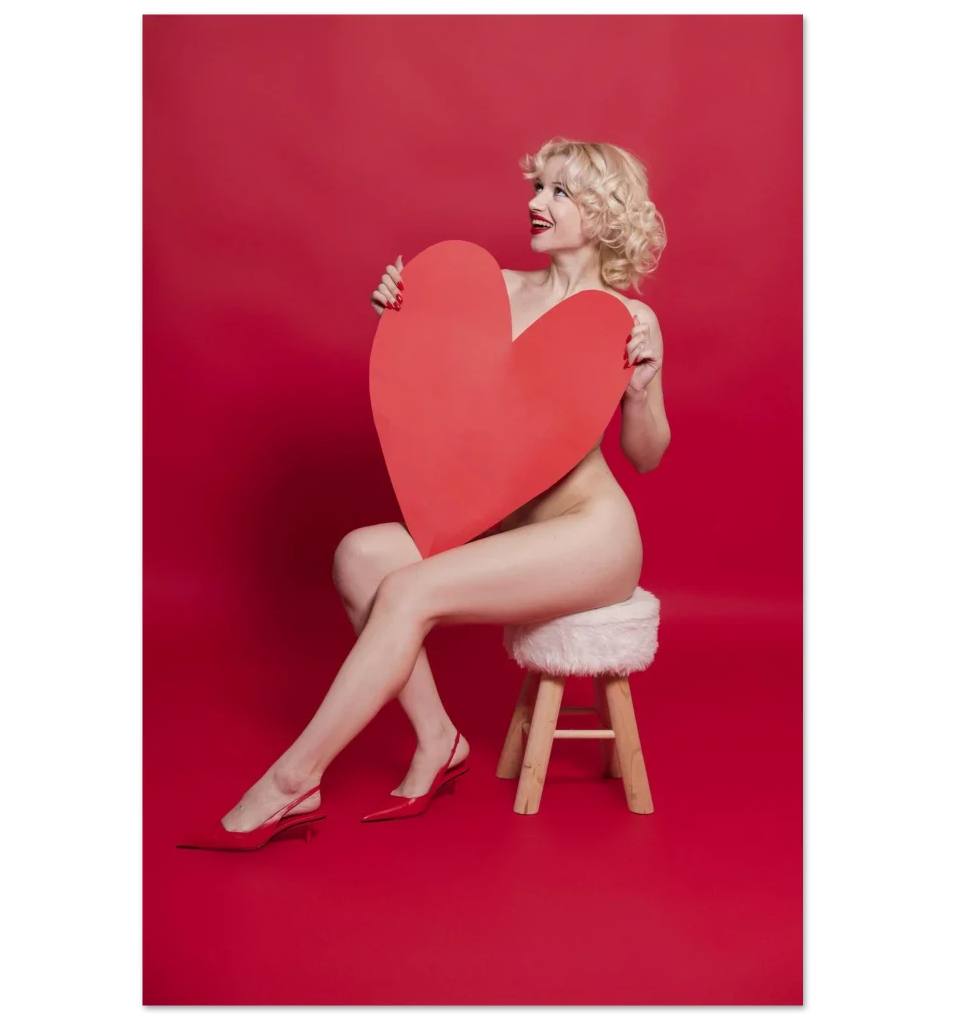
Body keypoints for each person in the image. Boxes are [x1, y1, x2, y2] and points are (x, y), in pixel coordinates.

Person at [178, 138, 670, 850]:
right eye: (537, 187)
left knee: (410, 590)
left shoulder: (627, 320)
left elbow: (646, 457)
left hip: (592, 536)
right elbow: (443, 394)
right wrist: (403, 311)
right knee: (359, 557)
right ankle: (439, 740)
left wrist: (644, 389)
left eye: (560, 192)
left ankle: (292, 780)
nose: (536, 203)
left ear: (601, 212)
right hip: (511, 530)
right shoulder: (494, 290)